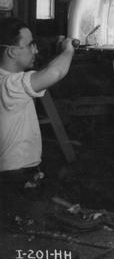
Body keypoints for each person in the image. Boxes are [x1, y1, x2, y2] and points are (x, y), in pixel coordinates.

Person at [0, 18, 76, 190]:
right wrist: (68, 50)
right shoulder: (10, 85)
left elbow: (43, 71)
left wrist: (57, 52)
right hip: (15, 175)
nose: (36, 50)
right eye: (30, 45)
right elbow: (55, 72)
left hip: (14, 172)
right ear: (12, 52)